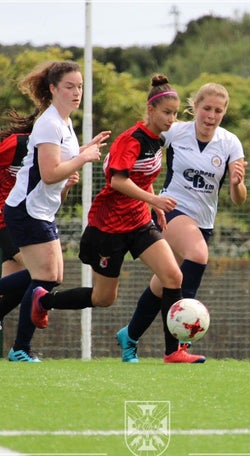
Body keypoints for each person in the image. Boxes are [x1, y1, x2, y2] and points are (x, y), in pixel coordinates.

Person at [23, 74, 185, 359]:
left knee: (172, 276)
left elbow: (141, 177)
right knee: (103, 299)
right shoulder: (130, 140)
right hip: (108, 228)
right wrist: (154, 199)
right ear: (150, 110)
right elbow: (118, 182)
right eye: (166, 113)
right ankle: (45, 301)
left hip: (139, 223)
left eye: (174, 113)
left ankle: (174, 352)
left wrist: (154, 204)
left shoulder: (156, 140)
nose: (171, 119)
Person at [116, 82, 247, 363]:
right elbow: (143, 141)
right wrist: (136, 183)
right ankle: (177, 346)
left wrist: (237, 183)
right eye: (206, 108)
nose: (211, 115)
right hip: (170, 209)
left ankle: (130, 335)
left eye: (218, 111)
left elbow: (239, 200)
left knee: (164, 283)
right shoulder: (176, 132)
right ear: (195, 107)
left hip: (203, 223)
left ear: (224, 113)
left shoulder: (230, 143)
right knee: (198, 255)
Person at [5, 60, 110, 362]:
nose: (77, 92)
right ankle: (20, 349)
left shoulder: (64, 122)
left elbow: (60, 164)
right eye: (69, 87)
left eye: (79, 86)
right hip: (27, 209)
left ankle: (19, 343)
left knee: (49, 277)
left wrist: (82, 151)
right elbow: (50, 173)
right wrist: (84, 158)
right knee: (47, 277)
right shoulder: (49, 123)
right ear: (53, 89)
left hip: (41, 210)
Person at [0, 110, 36, 332]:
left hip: (25, 221)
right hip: (5, 218)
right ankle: (22, 347)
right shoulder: (17, 143)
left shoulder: (53, 151)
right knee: (43, 272)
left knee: (16, 286)